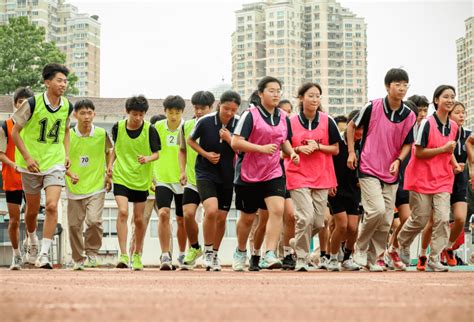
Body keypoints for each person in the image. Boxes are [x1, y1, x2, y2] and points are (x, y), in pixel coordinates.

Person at [347, 68, 416, 271]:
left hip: (391, 171)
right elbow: (351, 126)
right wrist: (352, 153)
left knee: (386, 219)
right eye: (397, 84)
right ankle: (359, 248)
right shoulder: (373, 106)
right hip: (368, 165)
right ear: (387, 86)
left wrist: (399, 160)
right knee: (375, 210)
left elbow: (408, 143)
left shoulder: (409, 115)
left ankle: (373, 257)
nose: (402, 88)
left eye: (405, 84)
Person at [231, 76, 299, 271]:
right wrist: (260, 149)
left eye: (278, 90)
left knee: (277, 210)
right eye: (271, 90)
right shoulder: (250, 115)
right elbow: (236, 142)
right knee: (248, 218)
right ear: (260, 94)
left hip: (274, 171)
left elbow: (284, 140)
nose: (276, 94)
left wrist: (291, 152)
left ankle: (269, 253)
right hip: (249, 173)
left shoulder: (284, 118)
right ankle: (241, 251)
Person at [12, 64, 73, 269]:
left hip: (54, 162)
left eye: (65, 81)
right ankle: (32, 239)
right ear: (47, 82)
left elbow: (65, 131)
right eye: (59, 80)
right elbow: (15, 133)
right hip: (32, 165)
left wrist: (66, 154)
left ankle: (45, 254)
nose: (63, 84)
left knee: (53, 205)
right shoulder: (31, 103)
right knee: (31, 210)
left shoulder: (67, 106)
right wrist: (28, 158)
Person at [397, 85, 460, 272]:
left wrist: (454, 164)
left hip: (443, 178)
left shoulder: (454, 126)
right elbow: (419, 152)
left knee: (441, 218)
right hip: (421, 177)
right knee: (420, 219)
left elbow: (449, 150)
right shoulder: (427, 123)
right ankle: (402, 242)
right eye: (445, 97)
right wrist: (443, 150)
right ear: (436, 101)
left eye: (452, 97)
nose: (450, 100)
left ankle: (434, 258)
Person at [285, 82, 340, 271]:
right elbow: (284, 151)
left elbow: (335, 149)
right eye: (311, 95)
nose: (315, 99)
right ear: (301, 98)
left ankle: (297, 241)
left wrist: (318, 147)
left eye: (318, 96)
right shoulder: (290, 122)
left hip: (322, 176)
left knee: (319, 222)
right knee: (305, 217)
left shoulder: (327, 121)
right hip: (297, 173)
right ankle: (301, 258)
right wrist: (298, 149)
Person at [188, 90, 241, 271]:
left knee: (221, 216)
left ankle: (215, 253)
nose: (229, 113)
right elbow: (190, 140)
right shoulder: (206, 121)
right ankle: (208, 251)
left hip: (227, 174)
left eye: (233, 110)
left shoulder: (240, 123)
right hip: (205, 172)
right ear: (220, 105)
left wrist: (230, 139)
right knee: (210, 211)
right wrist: (205, 154)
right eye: (226, 108)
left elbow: (243, 150)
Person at [110, 95, 159, 270]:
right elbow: (115, 148)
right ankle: (123, 254)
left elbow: (156, 154)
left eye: (141, 114)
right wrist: (109, 166)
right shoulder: (118, 127)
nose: (138, 118)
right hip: (121, 175)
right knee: (123, 212)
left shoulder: (150, 129)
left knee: (138, 219)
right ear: (127, 112)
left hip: (140, 179)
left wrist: (147, 158)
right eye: (135, 114)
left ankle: (137, 254)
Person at [418, 101, 469, 269]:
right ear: (449, 115)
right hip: (440, 177)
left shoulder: (468, 135)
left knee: (460, 218)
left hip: (460, 179)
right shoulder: (443, 132)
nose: (461, 115)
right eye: (457, 112)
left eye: (463, 112)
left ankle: (446, 247)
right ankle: (423, 254)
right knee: (434, 221)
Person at [65, 99, 113, 270]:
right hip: (74, 187)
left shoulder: (101, 134)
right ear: (75, 115)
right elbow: (60, 158)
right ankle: (78, 259)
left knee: (93, 221)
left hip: (96, 186)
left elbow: (110, 151)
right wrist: (70, 174)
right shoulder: (68, 135)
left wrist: (109, 171)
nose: (86, 117)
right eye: (82, 113)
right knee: (73, 225)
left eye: (89, 113)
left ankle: (92, 253)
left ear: (94, 114)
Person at [384, 98, 425, 269]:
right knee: (383, 220)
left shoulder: (418, 134)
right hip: (387, 179)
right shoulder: (390, 130)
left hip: (407, 182)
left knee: (408, 218)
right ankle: (376, 252)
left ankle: (395, 248)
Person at [180, 91, 215, 269]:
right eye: (196, 108)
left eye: (203, 108)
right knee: (187, 214)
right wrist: (182, 171)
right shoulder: (186, 126)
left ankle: (212, 252)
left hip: (211, 179)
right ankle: (194, 247)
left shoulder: (218, 126)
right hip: (193, 179)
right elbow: (182, 149)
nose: (199, 111)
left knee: (212, 215)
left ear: (211, 107)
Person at [0, 87, 34, 270]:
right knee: (14, 220)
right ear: (15, 104)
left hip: (31, 177)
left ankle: (31, 245)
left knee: (31, 216)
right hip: (12, 178)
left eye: (26, 102)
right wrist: (12, 164)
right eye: (20, 102)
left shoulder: (33, 126)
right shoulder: (5, 125)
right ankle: (16, 255)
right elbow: (1, 153)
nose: (22, 105)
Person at [327, 110, 363, 271]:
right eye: (357, 128)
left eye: (363, 128)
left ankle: (347, 258)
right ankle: (332, 258)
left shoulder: (364, 143)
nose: (360, 132)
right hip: (335, 188)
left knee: (353, 227)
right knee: (341, 225)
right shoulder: (337, 142)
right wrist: (329, 183)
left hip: (354, 190)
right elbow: (327, 163)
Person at [155, 95, 186, 270]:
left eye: (177, 112)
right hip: (162, 178)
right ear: (165, 112)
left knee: (182, 220)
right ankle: (165, 255)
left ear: (182, 112)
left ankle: (182, 254)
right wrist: (152, 176)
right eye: (170, 112)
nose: (173, 116)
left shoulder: (187, 127)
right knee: (163, 214)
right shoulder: (157, 127)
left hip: (182, 180)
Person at [129, 114, 166, 257]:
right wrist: (150, 183)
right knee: (139, 224)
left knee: (166, 222)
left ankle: (166, 256)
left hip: (163, 188)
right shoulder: (144, 141)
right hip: (147, 190)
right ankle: (134, 255)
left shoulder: (168, 143)